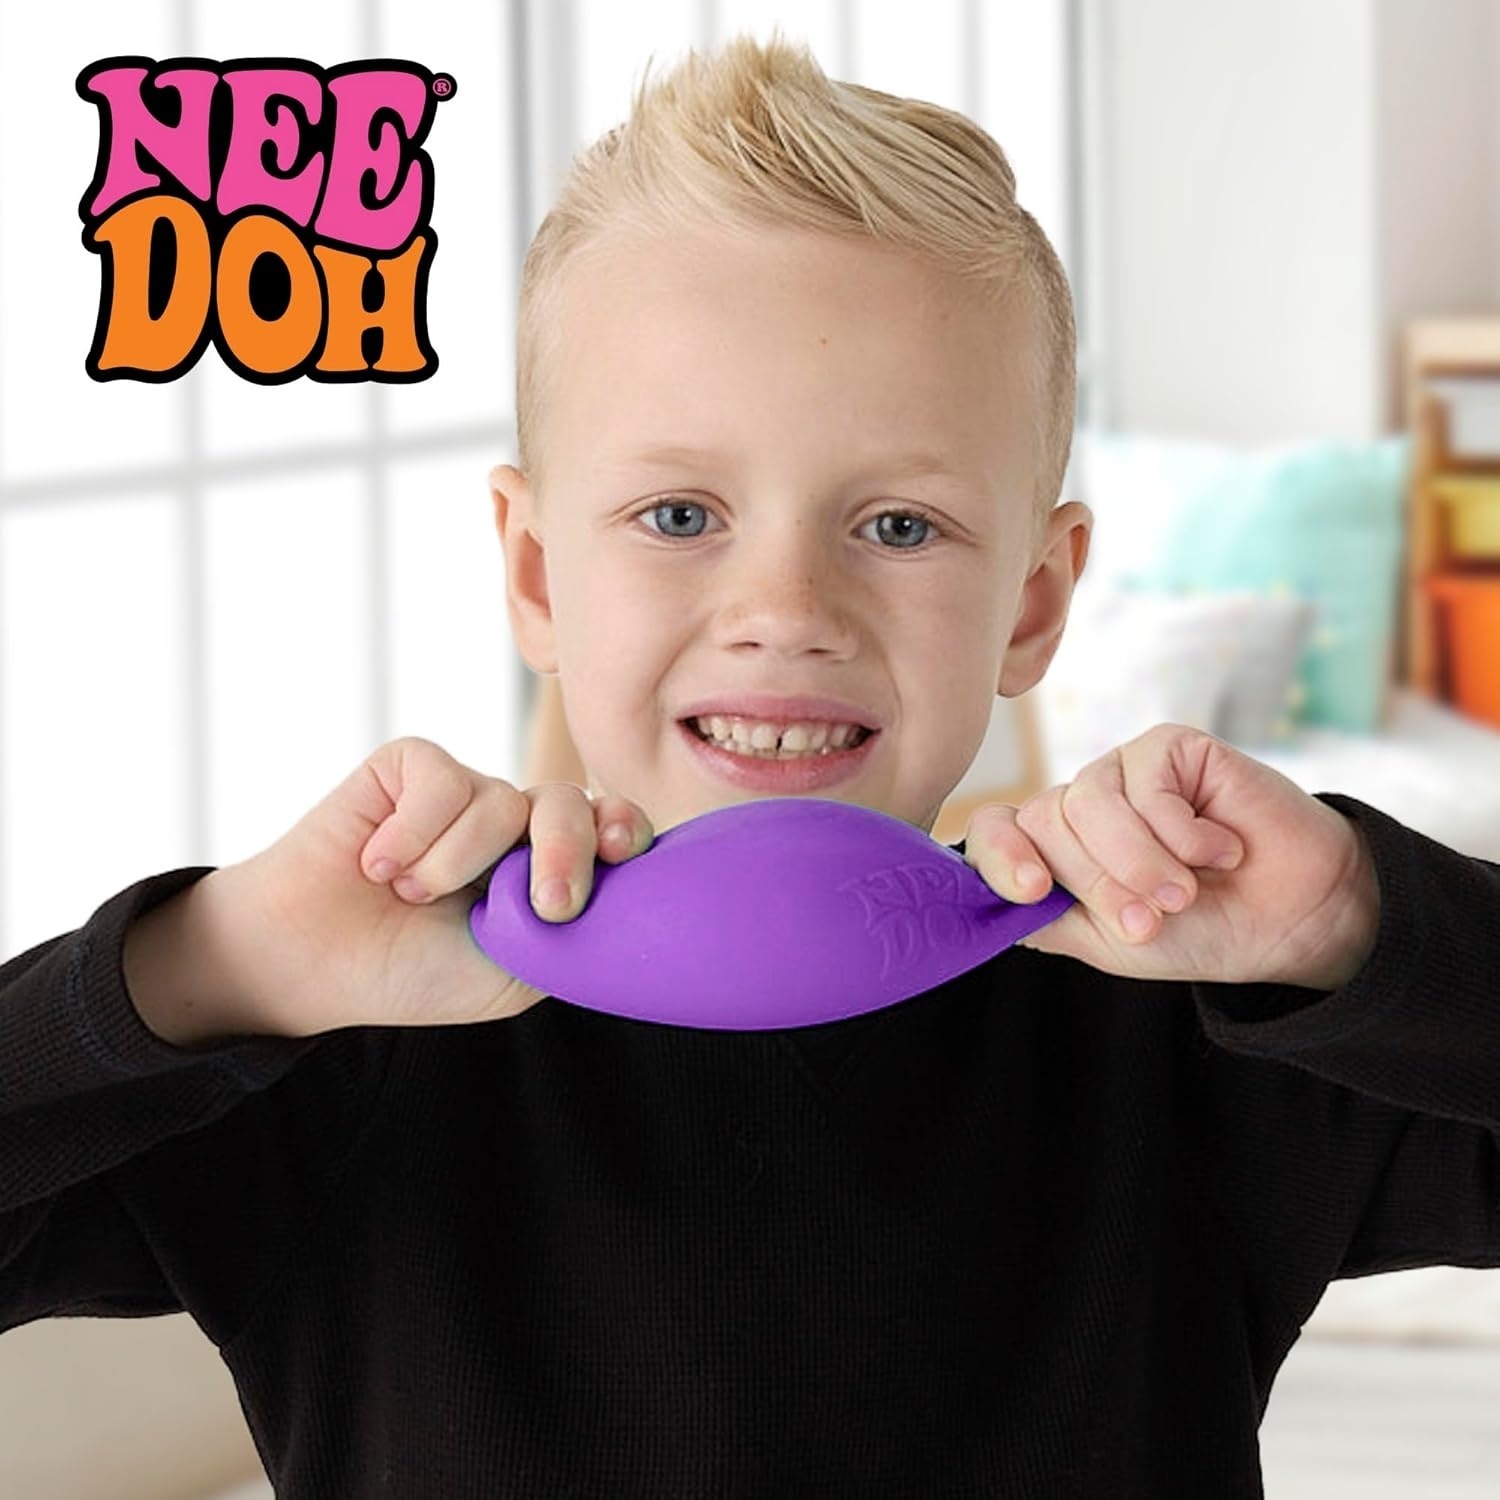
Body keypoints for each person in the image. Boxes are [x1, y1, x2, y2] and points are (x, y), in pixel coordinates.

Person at [3, 30, 1497, 1499]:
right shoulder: (345, 1045)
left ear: (1034, 602)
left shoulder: (1195, 1045)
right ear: (535, 574)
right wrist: (206, 969)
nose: (786, 610)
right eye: (679, 516)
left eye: (898, 526)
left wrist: (1355, 926)